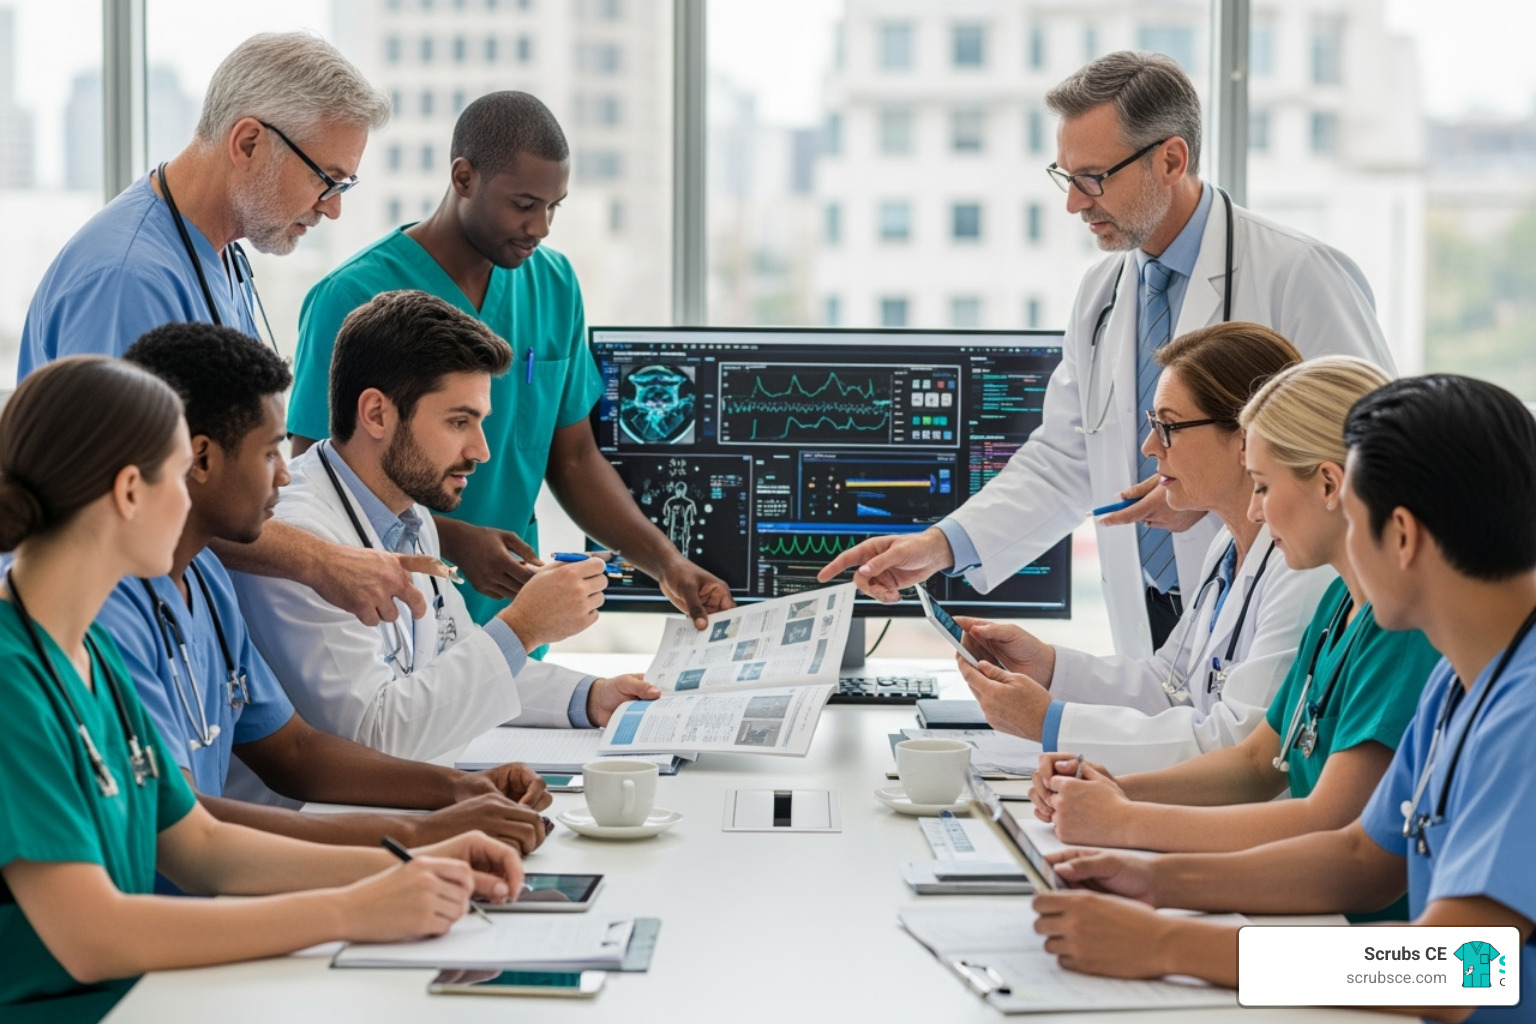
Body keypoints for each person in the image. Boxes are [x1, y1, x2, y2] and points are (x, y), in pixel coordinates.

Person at [820, 50, 1393, 657]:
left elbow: (1370, 455)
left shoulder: (1298, 274)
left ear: (1170, 160)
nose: (1074, 202)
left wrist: (1224, 490)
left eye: (1093, 178)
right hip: (1149, 617)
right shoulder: (1102, 294)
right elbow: (1066, 456)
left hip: (1282, 606)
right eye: (1065, 177)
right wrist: (939, 546)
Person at [0, 356, 521, 1024]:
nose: (188, 501)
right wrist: (353, 910)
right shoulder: (15, 680)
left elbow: (200, 848)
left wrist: (408, 858)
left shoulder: (88, 652)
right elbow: (92, 939)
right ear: (131, 491)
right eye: (177, 476)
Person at [1035, 375, 1536, 1024]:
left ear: (1403, 535)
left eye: (1352, 522)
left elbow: (1458, 966)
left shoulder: (1524, 710)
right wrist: (1155, 884)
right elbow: (1360, 858)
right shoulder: (1461, 680)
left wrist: (1167, 943)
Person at [91, 322, 557, 853]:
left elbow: (294, 751)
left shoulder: (207, 583)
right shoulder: (112, 615)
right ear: (198, 459)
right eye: (270, 454)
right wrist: (416, 838)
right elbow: (186, 834)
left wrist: (458, 790)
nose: (284, 477)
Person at [18, 32, 427, 631]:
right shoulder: (128, 279)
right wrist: (318, 561)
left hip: (196, 613)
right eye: (327, 180)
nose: (332, 208)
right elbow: (136, 501)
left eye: (345, 188)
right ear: (249, 142)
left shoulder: (222, 253)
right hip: (119, 630)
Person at [286, 90, 732, 629]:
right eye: (524, 204)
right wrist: (450, 540)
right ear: (464, 178)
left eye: (553, 207)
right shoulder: (348, 297)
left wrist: (667, 563)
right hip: (389, 621)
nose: (540, 226)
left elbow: (573, 460)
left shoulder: (555, 284)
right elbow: (317, 481)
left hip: (515, 623)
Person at [1031, 359, 1439, 911]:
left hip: (1379, 950)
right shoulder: (1338, 604)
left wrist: (1133, 837)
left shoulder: (1404, 631)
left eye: (1264, 486)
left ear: (1328, 485)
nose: (1252, 510)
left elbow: (1346, 844)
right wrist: (1117, 793)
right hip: (1357, 937)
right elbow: (1255, 764)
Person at [234, 290, 659, 762]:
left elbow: (454, 663)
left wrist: (590, 697)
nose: (481, 451)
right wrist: (524, 627)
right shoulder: (302, 542)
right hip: (319, 822)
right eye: (459, 422)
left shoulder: (410, 517)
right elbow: (373, 738)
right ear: (376, 414)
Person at [952, 323, 1332, 773]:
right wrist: (1049, 669)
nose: (1151, 447)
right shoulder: (1227, 547)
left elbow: (1240, 746)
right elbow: (1170, 687)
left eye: (1168, 427)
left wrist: (1051, 721)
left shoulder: (1304, 569)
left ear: (1244, 438)